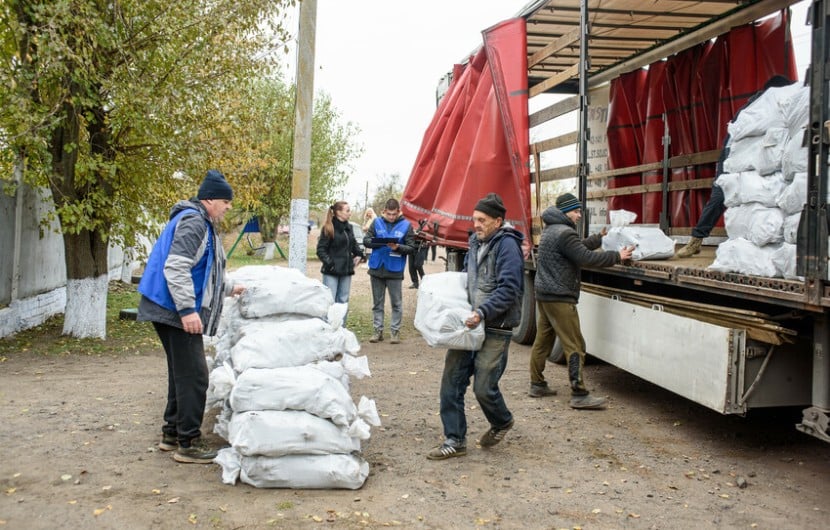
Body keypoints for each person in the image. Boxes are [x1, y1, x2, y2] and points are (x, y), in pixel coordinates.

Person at [137, 169, 245, 464]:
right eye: (225, 201)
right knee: (196, 375)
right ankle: (189, 442)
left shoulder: (200, 221)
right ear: (210, 199)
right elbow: (176, 267)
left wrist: (230, 287)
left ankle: (171, 433)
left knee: (181, 373)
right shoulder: (194, 222)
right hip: (172, 307)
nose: (228, 207)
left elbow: (204, 272)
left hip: (164, 305)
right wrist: (186, 310)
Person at [427, 193, 524, 460]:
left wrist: (482, 312)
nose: (476, 224)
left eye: (482, 220)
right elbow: (472, 282)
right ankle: (455, 440)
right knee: (451, 381)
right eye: (474, 219)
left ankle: (502, 420)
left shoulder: (507, 246)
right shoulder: (475, 242)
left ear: (498, 221)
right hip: (469, 324)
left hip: (495, 326)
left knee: (484, 387)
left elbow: (510, 289)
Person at [528, 193, 633, 410]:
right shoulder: (565, 232)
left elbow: (575, 250)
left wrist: (597, 238)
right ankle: (579, 393)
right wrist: (616, 256)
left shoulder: (551, 229)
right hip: (560, 297)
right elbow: (586, 259)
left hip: (545, 294)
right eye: (576, 211)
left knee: (543, 340)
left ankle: (537, 384)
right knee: (575, 344)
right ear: (566, 211)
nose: (578, 215)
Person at [676, 74, 794, 258]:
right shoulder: (755, 106)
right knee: (719, 196)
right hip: (733, 159)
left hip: (758, 160)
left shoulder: (772, 106)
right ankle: (696, 240)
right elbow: (738, 135)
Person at [363, 198, 415, 344]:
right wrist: (377, 242)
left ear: (398, 212)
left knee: (396, 304)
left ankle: (395, 332)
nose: (391, 217)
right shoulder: (376, 222)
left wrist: (398, 247)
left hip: (395, 270)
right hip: (377, 268)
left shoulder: (406, 226)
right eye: (389, 214)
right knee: (377, 303)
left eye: (394, 214)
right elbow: (366, 240)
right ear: (384, 211)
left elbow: (411, 248)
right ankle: (377, 331)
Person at [316, 201, 364, 324]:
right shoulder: (328, 227)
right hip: (331, 271)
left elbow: (353, 244)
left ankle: (341, 330)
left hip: (346, 270)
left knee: (343, 301)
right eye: (347, 210)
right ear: (338, 212)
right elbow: (321, 250)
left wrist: (359, 254)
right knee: (330, 302)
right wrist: (330, 263)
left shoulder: (349, 227)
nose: (350, 213)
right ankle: (328, 330)